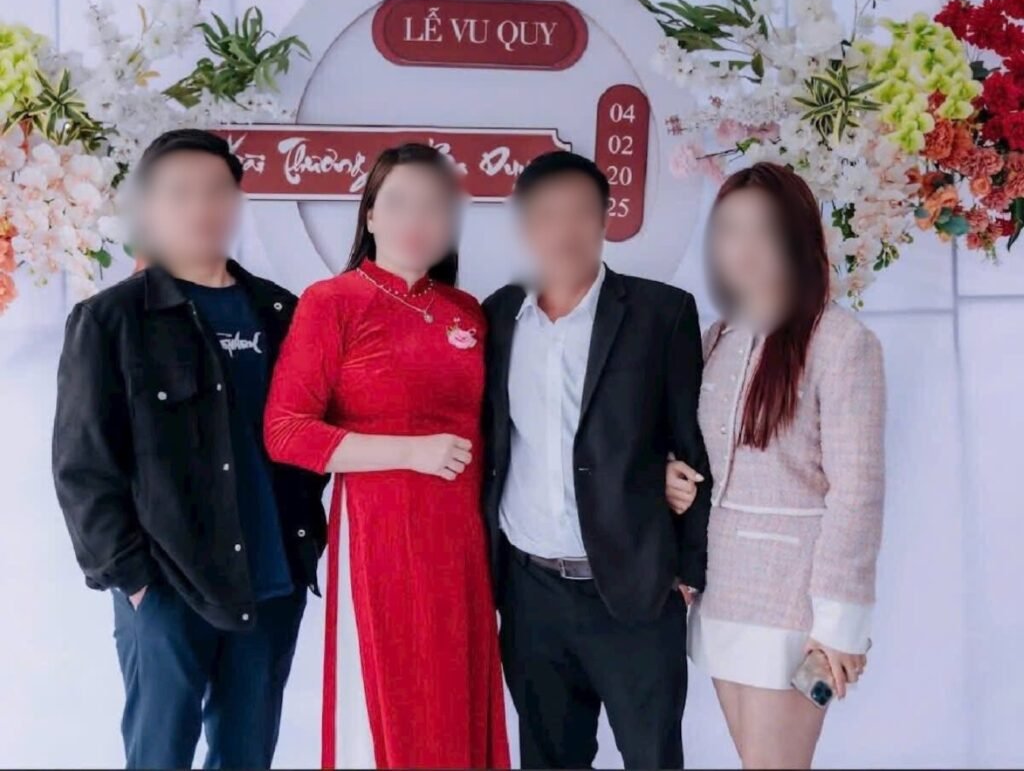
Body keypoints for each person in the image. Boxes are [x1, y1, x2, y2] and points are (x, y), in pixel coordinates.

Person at [51, 129, 328, 769]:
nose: (202, 207)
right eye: (180, 193)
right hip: (168, 587)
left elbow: (308, 435)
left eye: (215, 191)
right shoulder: (111, 320)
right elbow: (83, 468)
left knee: (246, 755)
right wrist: (135, 582)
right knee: (159, 757)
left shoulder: (283, 313)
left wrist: (302, 543)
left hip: (271, 582)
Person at [262, 143, 509, 770]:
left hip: (462, 543)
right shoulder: (332, 301)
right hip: (379, 536)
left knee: (453, 703)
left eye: (433, 206)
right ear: (369, 214)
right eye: (398, 203)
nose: (415, 220)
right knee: (388, 705)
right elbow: (285, 431)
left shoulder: (467, 313)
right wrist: (410, 452)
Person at [481, 150, 712, 770]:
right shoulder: (496, 317)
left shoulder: (662, 313)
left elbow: (692, 446)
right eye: (547, 214)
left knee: (653, 758)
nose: (564, 229)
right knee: (549, 758)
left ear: (608, 218)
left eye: (580, 212)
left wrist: (688, 570)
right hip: (530, 593)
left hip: (635, 589)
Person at [665, 161, 886, 769]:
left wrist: (839, 622)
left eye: (762, 229)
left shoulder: (840, 342)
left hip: (794, 602)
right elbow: (698, 455)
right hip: (720, 592)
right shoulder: (718, 337)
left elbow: (858, 490)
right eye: (730, 229)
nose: (743, 247)